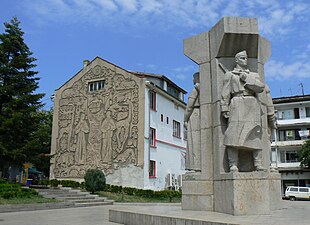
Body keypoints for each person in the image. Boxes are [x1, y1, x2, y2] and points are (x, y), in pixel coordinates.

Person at [221, 50, 268, 172]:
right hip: (237, 102)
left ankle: (258, 163)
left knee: (254, 135)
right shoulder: (230, 75)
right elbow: (225, 93)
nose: (245, 60)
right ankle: (233, 164)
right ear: (236, 60)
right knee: (232, 135)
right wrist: (224, 107)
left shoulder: (253, 74)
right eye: (242, 58)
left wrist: (246, 78)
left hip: (251, 104)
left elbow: (260, 88)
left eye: (246, 58)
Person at [184, 72, 201, 171]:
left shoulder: (196, 88)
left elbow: (189, 106)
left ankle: (194, 167)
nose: (192, 80)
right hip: (203, 114)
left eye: (193, 78)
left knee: (193, 142)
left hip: (195, 115)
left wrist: (185, 119)